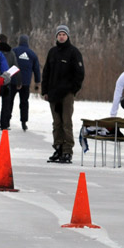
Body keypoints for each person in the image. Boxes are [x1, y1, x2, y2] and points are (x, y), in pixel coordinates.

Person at [42, 24, 85, 164]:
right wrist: (45, 90)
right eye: (59, 34)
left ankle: (67, 151)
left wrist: (73, 90)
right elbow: (46, 72)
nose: (61, 36)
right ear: (56, 36)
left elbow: (80, 74)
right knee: (57, 123)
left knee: (67, 122)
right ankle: (58, 147)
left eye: (64, 34)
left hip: (66, 94)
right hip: (53, 94)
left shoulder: (73, 52)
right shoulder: (52, 52)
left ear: (68, 36)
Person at [13, 34, 42, 131]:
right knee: (24, 102)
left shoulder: (14, 51)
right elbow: (36, 69)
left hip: (13, 81)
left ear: (19, 41)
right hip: (26, 83)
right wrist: (37, 82)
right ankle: (24, 122)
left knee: (9, 102)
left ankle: (6, 120)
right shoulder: (32, 54)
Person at [0, 34, 22, 130]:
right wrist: (19, 81)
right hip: (7, 82)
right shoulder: (11, 52)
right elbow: (16, 66)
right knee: (6, 104)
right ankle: (5, 124)